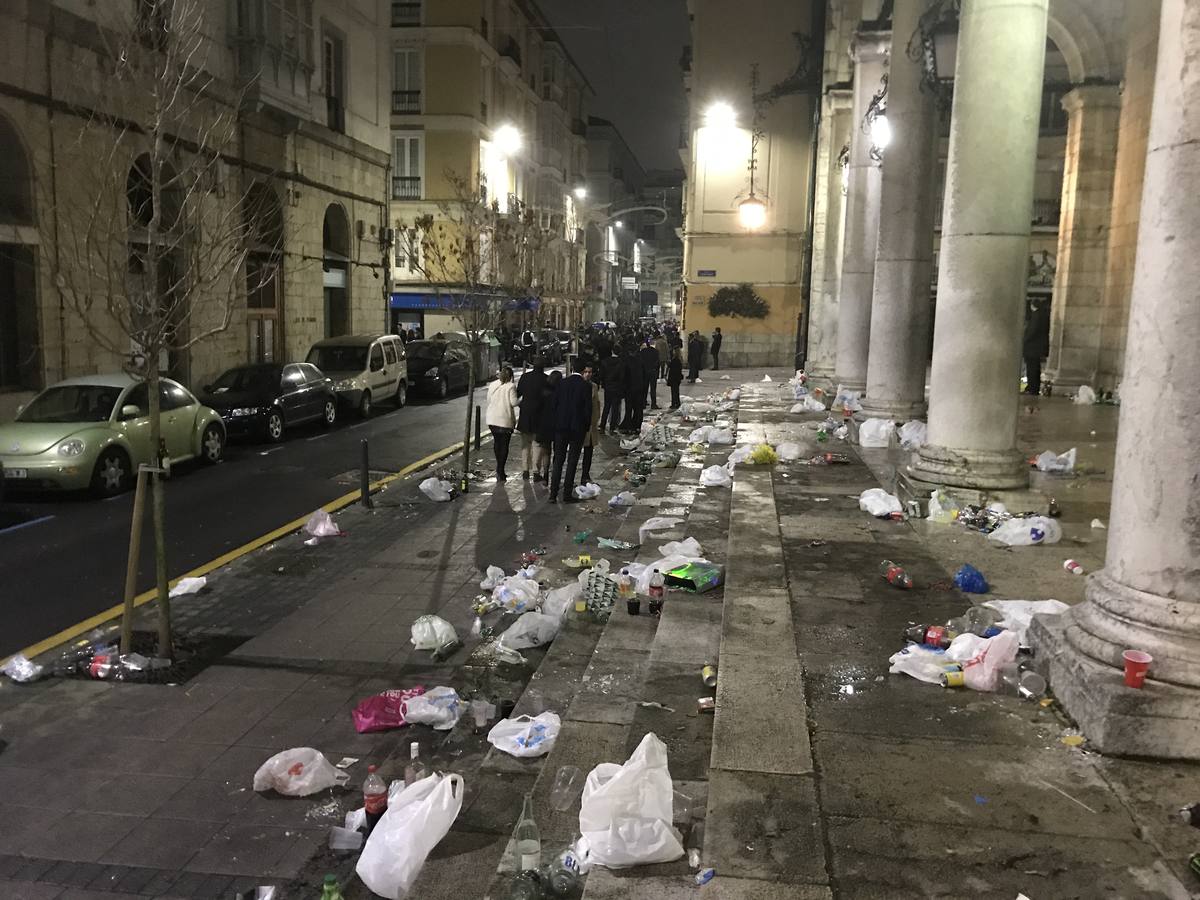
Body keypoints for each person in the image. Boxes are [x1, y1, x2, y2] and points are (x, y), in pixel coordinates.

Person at [549, 360, 593, 503]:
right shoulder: (585, 386)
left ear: (572, 368)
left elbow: (554, 404)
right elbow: (588, 410)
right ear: (582, 371)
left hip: (561, 427)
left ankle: (553, 493)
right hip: (577, 428)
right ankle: (567, 494)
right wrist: (586, 427)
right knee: (572, 460)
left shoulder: (561, 383)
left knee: (558, 460)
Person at [516, 357, 547, 479]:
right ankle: (535, 471)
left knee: (525, 444)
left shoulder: (525, 377)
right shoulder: (545, 379)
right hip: (539, 415)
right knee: (537, 444)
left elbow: (518, 393)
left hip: (525, 414)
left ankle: (525, 470)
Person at [485, 366, 519, 482]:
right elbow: (514, 403)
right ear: (510, 376)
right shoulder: (511, 386)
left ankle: (499, 469)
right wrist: (522, 399)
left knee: (497, 443)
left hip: (492, 419)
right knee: (504, 445)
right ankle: (500, 470)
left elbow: (489, 399)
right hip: (505, 420)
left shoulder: (493, 384)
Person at [534, 370, 561, 482]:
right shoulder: (559, 393)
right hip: (557, 424)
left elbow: (537, 409)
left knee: (546, 450)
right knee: (557, 450)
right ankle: (554, 472)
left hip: (544, 425)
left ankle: (545, 473)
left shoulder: (543, 392)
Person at [1023, 297, 1050, 395]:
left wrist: (1024, 340)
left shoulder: (1036, 315)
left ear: (1032, 305)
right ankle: (1035, 387)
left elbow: (1032, 331)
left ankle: (1032, 388)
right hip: (1038, 348)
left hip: (1032, 348)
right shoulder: (1043, 315)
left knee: (1031, 369)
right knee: (1036, 368)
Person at [580, 365, 602, 486]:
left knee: (589, 452)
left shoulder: (594, 386)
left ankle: (585, 475)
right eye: (586, 372)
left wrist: (596, 419)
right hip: (580, 424)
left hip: (591, 424)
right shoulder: (579, 386)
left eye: (590, 372)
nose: (588, 374)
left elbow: (597, 404)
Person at [620, 344, 645, 433]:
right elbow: (644, 375)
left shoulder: (626, 362)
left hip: (629, 389)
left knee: (629, 408)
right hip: (639, 388)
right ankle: (637, 426)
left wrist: (623, 389)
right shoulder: (640, 361)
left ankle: (629, 426)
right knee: (638, 408)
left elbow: (624, 376)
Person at [599, 349, 624, 434]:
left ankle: (602, 425)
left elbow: (601, 375)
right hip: (617, 387)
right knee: (615, 408)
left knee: (606, 406)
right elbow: (622, 376)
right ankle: (612, 427)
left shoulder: (604, 361)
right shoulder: (620, 362)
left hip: (608, 387)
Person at [639, 339, 661, 410]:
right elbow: (658, 362)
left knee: (644, 388)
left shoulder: (643, 352)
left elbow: (641, 362)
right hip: (653, 371)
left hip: (645, 372)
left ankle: (643, 403)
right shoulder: (656, 352)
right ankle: (653, 404)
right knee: (653, 389)